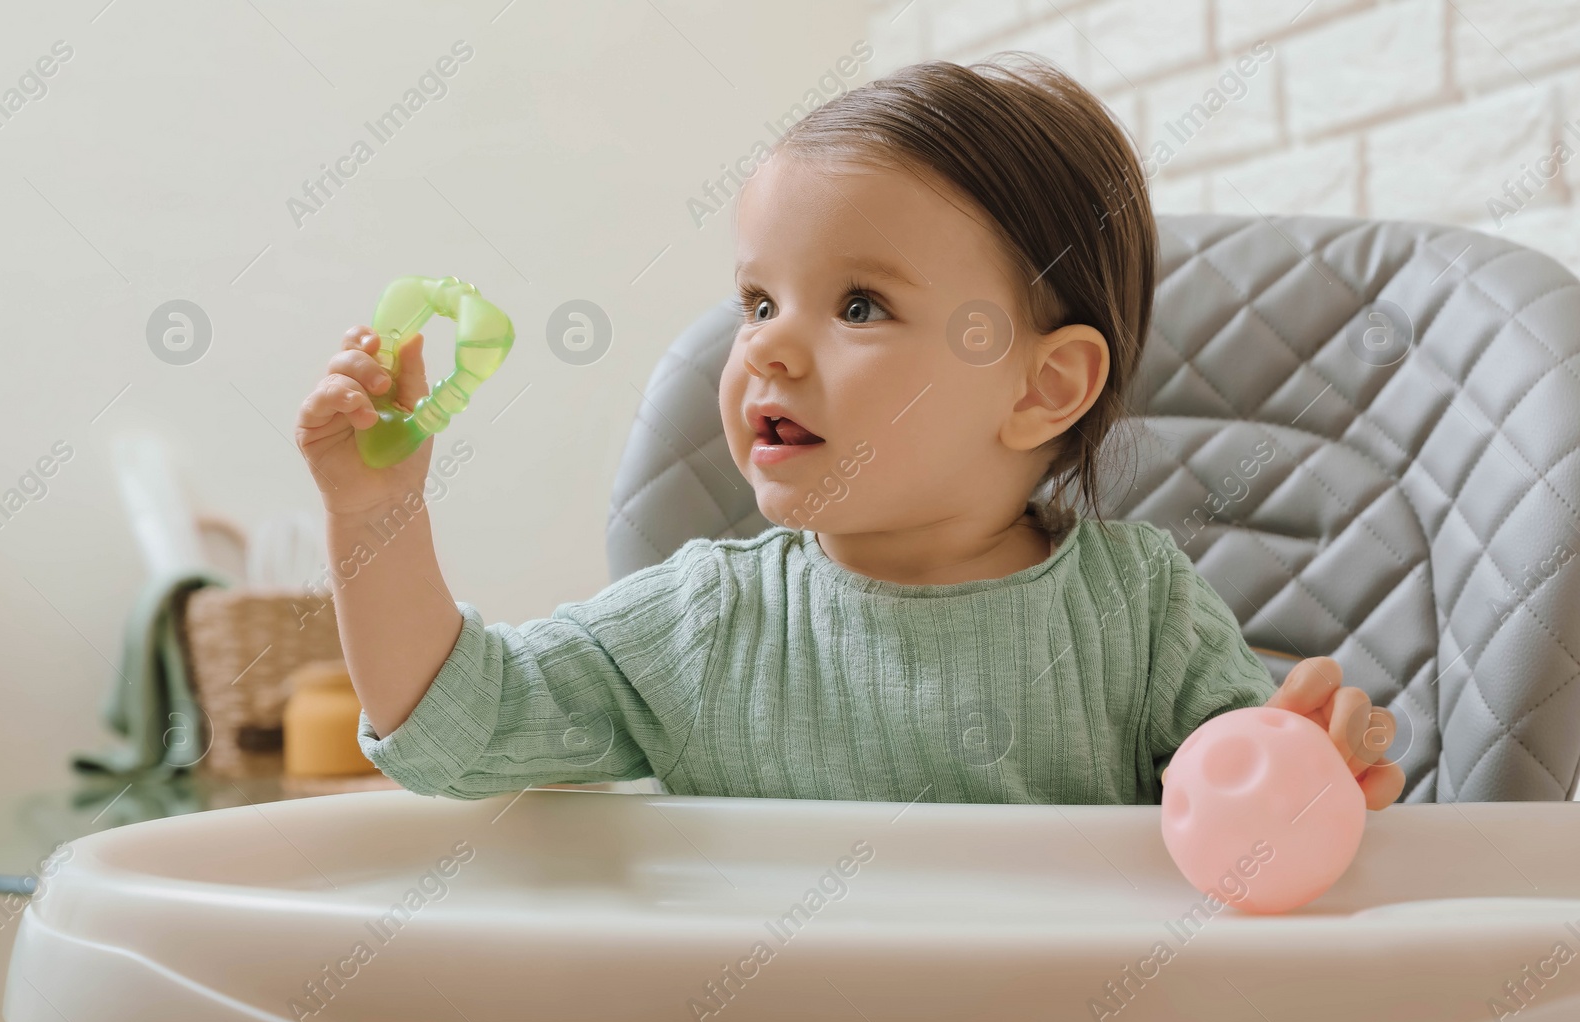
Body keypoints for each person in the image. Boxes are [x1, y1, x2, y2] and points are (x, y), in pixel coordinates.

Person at [295, 56, 1403, 809]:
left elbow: (1245, 818)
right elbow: (456, 728)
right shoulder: (703, 623)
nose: (767, 350)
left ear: (1042, 385)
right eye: (758, 303)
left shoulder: (1141, 614)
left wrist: (1301, 773)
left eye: (859, 305)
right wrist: (377, 510)